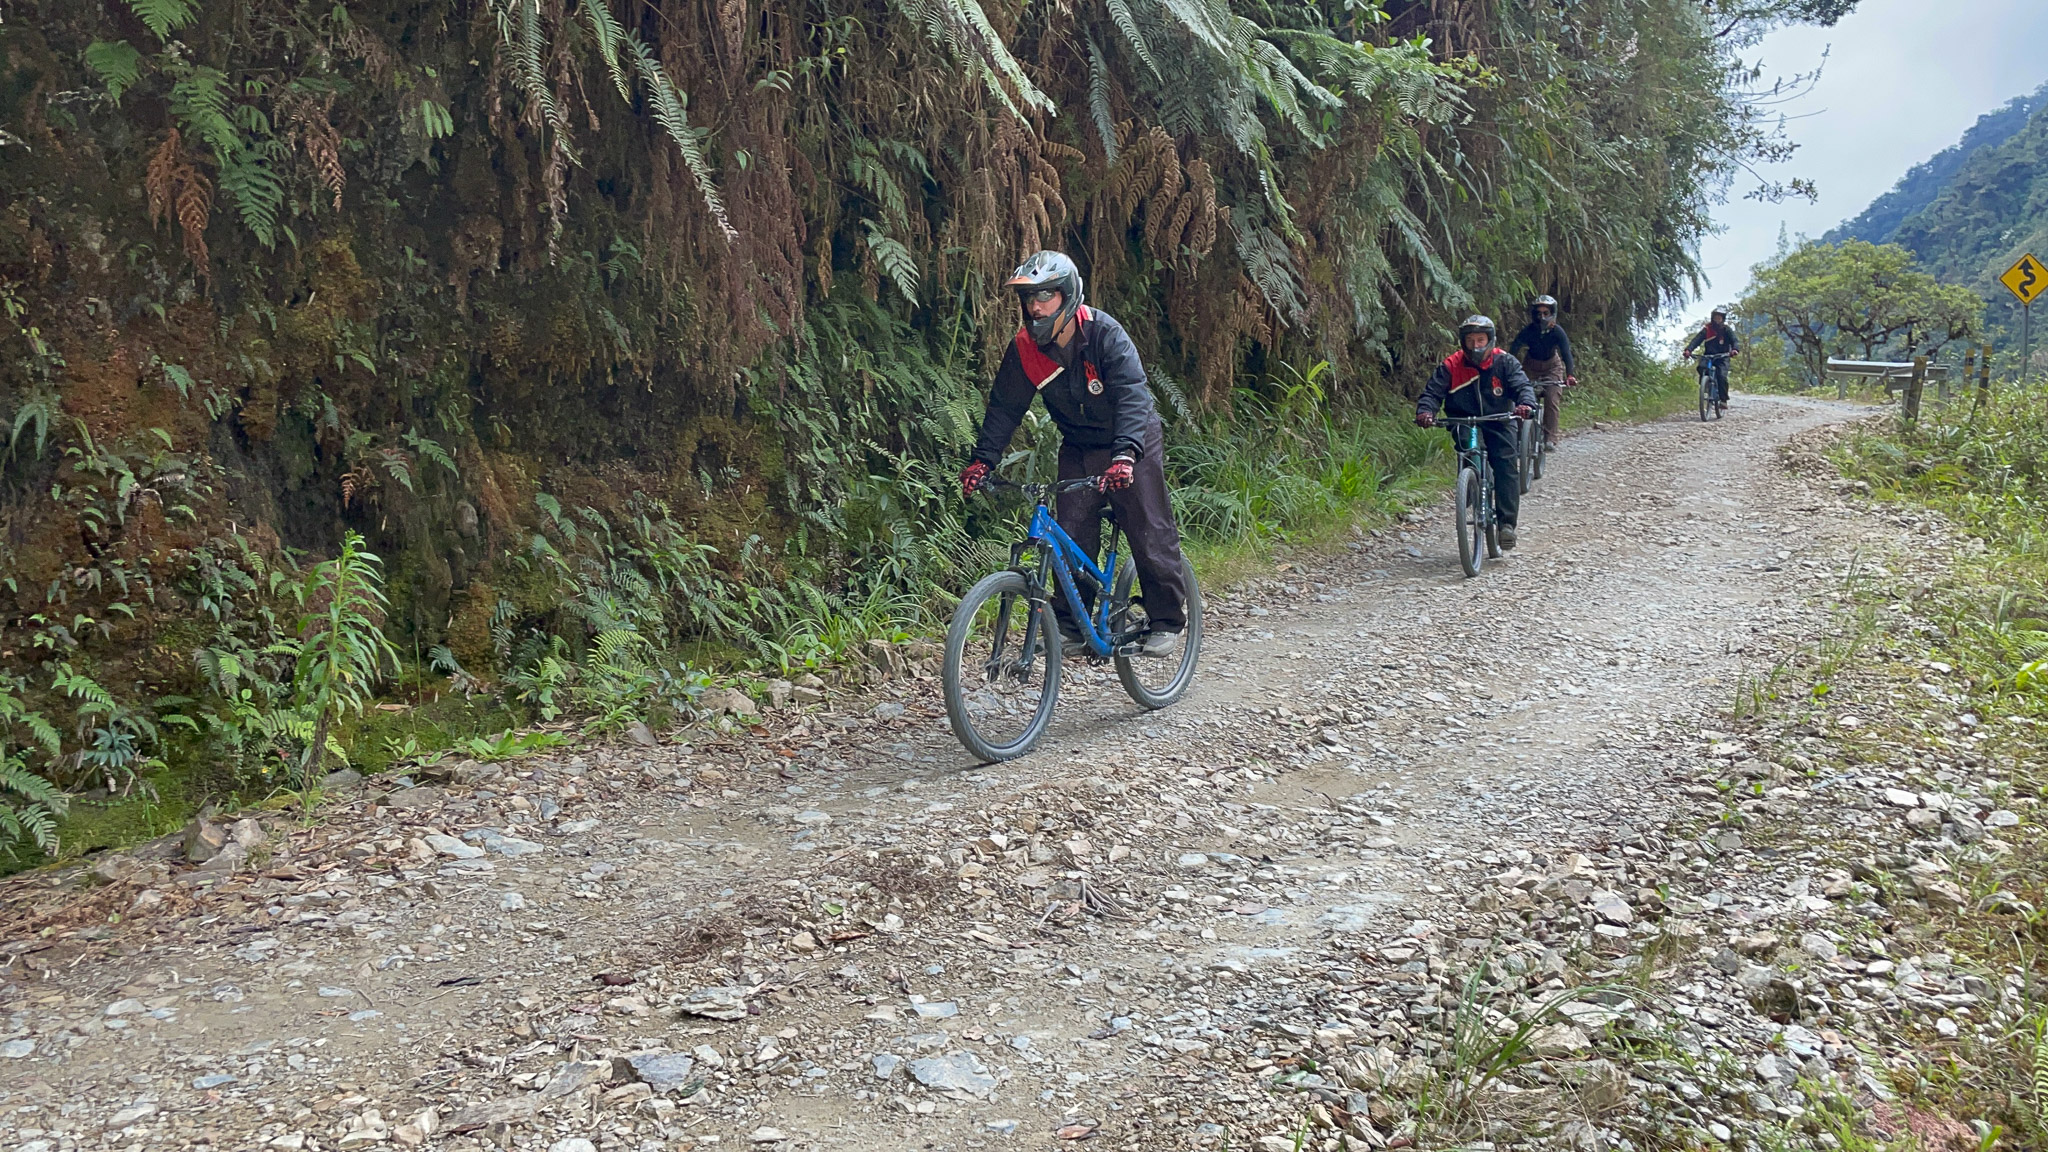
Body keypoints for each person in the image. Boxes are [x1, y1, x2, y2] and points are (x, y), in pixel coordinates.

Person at [960, 251, 1189, 657]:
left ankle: (1167, 620)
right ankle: (1072, 625)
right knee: (1070, 531)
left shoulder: (1104, 335)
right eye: (1029, 299)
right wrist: (984, 460)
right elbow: (1005, 407)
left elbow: (1133, 397)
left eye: (1044, 296)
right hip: (1079, 445)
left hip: (1130, 440)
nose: (1035, 307)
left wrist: (1125, 456)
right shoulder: (1027, 348)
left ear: (1067, 296)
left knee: (1147, 529)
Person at [1415, 315, 1537, 549]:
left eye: (1481, 340)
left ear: (1490, 340)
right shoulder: (1451, 365)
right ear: (1463, 342)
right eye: (1470, 340)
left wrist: (1526, 405)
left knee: (1505, 465)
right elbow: (1431, 393)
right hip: (1463, 421)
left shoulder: (1505, 362)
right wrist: (1425, 412)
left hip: (1499, 421)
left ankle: (1506, 525)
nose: (1476, 346)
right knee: (1468, 454)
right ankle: (1469, 487)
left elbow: (1523, 387)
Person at [1506, 294, 1577, 451]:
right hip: (1530, 367)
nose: (1542, 317)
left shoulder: (1558, 332)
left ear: (1553, 313)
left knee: (1552, 399)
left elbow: (1566, 353)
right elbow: (1514, 349)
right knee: (1522, 400)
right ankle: (1519, 438)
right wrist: (1508, 370)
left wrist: (1570, 374)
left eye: (1546, 313)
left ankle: (1550, 437)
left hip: (1552, 367)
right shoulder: (1528, 331)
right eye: (1539, 313)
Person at [1683, 307, 1740, 406]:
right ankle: (1706, 386)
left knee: (1721, 376)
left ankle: (1723, 400)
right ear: (1712, 318)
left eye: (1719, 318)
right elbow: (1697, 340)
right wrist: (1689, 350)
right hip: (1708, 355)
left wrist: (1735, 349)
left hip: (1723, 356)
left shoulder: (1726, 329)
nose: (1717, 320)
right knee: (1701, 367)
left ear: (1723, 319)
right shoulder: (1707, 329)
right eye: (1716, 317)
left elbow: (1734, 340)